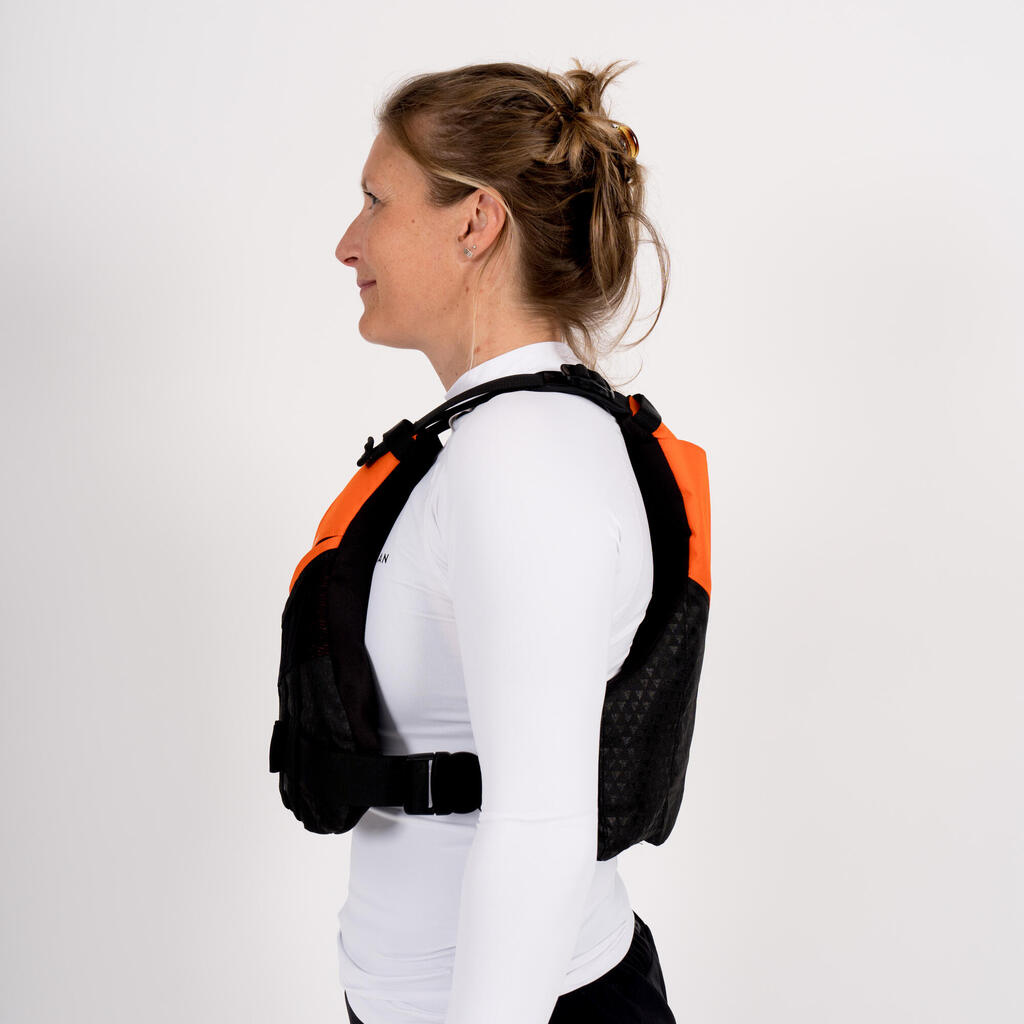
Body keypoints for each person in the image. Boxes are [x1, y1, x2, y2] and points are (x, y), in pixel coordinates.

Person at [331, 59, 676, 1024]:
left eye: (375, 201)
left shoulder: (518, 454)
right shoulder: (504, 435)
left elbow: (541, 826)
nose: (347, 242)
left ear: (475, 222)